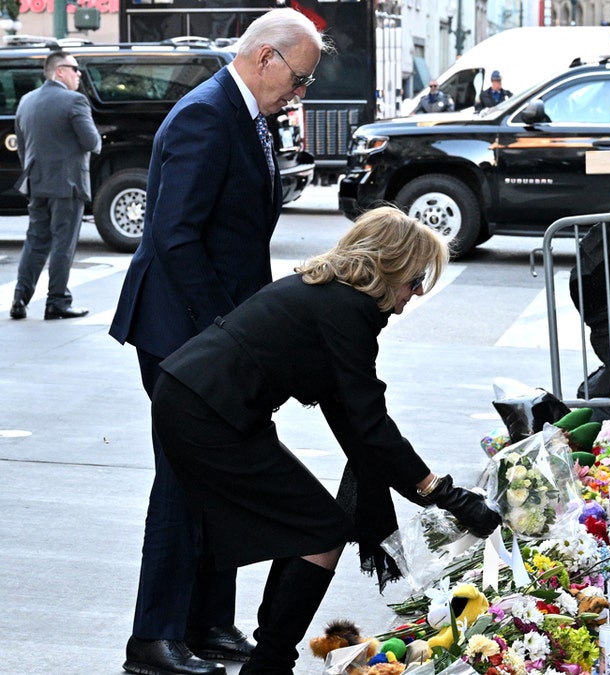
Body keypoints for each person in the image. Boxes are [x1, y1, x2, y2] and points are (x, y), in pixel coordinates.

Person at [151, 206, 502, 674]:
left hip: (201, 401)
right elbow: (369, 424)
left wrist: (431, 490)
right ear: (390, 265)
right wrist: (443, 493)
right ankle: (270, 662)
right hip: (206, 411)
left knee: (316, 525)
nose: (416, 294)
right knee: (321, 528)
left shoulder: (333, 297)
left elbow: (353, 415)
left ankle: (270, 659)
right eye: (416, 280)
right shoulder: (347, 308)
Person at [108, 9, 329, 675]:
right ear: (265, 57)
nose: (300, 93)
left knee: (215, 478)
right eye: (298, 78)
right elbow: (175, 237)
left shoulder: (249, 116)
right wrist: (225, 337)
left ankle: (206, 622)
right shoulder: (206, 115)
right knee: (185, 478)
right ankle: (153, 638)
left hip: (213, 329)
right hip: (184, 333)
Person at [9, 50, 101, 321]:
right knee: (63, 243)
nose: (79, 73)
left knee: (35, 241)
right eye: (74, 68)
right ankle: (57, 301)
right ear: (59, 71)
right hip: (68, 184)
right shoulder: (75, 101)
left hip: (36, 182)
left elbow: (23, 148)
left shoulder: (26, 101)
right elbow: (92, 142)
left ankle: (19, 299)